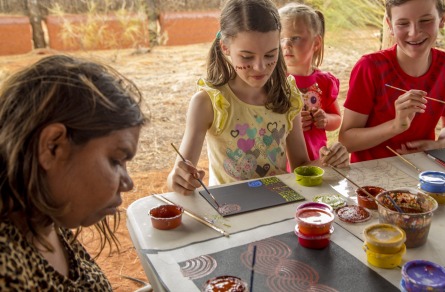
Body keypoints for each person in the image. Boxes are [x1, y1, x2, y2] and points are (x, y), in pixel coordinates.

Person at [167, 0, 349, 195]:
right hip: (232, 212)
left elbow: (300, 167)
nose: (260, 67)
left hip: (281, 204)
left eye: (271, 55)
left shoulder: (288, 97)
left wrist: (326, 162)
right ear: (225, 47)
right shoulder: (209, 103)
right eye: (247, 57)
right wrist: (178, 179)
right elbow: (177, 178)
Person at [0, 55, 147, 289]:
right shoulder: (7, 272)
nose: (128, 183)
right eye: (116, 160)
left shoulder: (47, 218)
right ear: (53, 147)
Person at [338, 0, 445, 163]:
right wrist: (396, 126)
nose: (414, 33)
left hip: (422, 172)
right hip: (371, 178)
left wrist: (440, 144)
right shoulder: (370, 67)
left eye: (425, 20)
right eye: (403, 23)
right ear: (390, 25)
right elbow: (346, 141)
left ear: (442, 19)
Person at [279, 3, 342, 164]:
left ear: (316, 43)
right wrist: (292, 124)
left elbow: (337, 118)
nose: (286, 44)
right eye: (280, 39)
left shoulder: (325, 82)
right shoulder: (275, 82)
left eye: (295, 38)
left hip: (317, 161)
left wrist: (325, 119)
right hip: (282, 164)